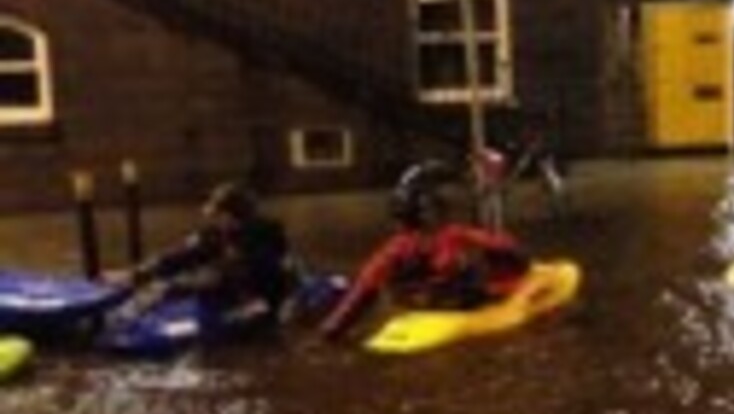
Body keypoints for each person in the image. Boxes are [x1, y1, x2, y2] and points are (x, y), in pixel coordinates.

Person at [319, 162, 532, 341]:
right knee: (483, 264)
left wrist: (333, 329)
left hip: (416, 310)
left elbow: (362, 291)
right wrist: (520, 266)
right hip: (456, 306)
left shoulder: (391, 250)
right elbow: (505, 248)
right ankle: (503, 287)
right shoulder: (453, 235)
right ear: (430, 211)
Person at [131, 182, 293, 320]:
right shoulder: (215, 234)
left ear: (234, 215)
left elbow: (246, 270)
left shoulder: (262, 237)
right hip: (224, 291)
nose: (216, 220)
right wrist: (145, 270)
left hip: (259, 297)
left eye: (220, 215)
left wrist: (183, 284)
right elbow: (183, 254)